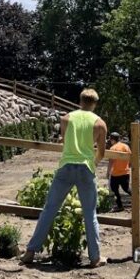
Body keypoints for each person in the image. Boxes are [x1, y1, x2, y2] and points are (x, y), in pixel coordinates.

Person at [18, 88, 107, 268]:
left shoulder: (66, 118)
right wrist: (94, 163)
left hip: (66, 167)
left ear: (80, 101)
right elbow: (102, 152)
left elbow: (64, 142)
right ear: (95, 103)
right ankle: (95, 258)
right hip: (86, 168)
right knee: (90, 214)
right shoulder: (100, 123)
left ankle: (30, 252)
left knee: (49, 209)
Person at [106, 131, 131, 210]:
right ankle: (138, 200)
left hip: (115, 174)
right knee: (126, 189)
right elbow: (130, 158)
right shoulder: (126, 146)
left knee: (114, 190)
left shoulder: (113, 148)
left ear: (112, 139)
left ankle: (120, 206)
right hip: (125, 173)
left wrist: (108, 172)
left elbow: (111, 162)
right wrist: (128, 166)